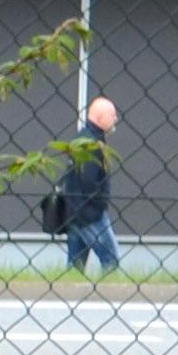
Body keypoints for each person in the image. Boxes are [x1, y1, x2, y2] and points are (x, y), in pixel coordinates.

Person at [47, 97, 118, 273]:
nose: (115, 119)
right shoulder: (92, 144)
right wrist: (98, 206)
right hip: (90, 215)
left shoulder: (81, 140)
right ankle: (109, 296)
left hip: (73, 212)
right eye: (112, 115)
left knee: (75, 266)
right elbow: (89, 180)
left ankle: (68, 296)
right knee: (111, 259)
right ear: (100, 118)